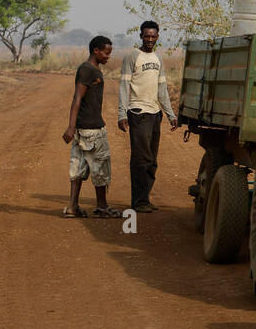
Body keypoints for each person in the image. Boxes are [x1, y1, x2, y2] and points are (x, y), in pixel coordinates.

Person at [117, 21, 178, 212]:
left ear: (157, 36)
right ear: (141, 36)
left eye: (153, 36)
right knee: (140, 158)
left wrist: (170, 114)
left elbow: (162, 90)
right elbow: (124, 86)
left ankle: (145, 198)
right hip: (137, 112)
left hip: (154, 114)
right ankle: (138, 202)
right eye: (146, 36)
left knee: (151, 160)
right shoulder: (132, 56)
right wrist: (121, 113)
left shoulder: (158, 59)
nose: (150, 39)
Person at [63, 36, 116, 218]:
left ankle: (72, 207)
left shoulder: (92, 69)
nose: (108, 57)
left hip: (81, 128)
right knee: (100, 165)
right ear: (96, 50)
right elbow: (77, 98)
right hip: (92, 129)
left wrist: (74, 127)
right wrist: (70, 126)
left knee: (78, 167)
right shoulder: (88, 70)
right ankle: (102, 206)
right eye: (106, 53)